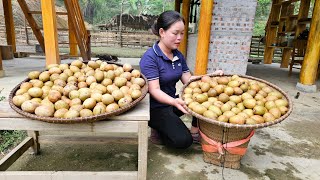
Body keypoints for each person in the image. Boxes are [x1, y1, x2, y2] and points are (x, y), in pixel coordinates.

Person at [139, 10, 223, 149]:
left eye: (182, 33)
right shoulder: (150, 58)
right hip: (155, 108)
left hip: (173, 103)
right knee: (183, 141)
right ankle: (158, 129)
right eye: (175, 33)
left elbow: (189, 81)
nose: (179, 37)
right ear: (162, 32)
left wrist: (211, 77)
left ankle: (194, 130)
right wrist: (174, 101)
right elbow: (154, 90)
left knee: (200, 95)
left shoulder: (178, 55)